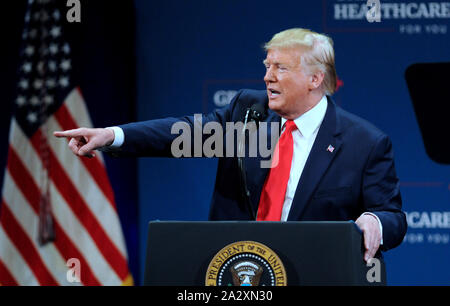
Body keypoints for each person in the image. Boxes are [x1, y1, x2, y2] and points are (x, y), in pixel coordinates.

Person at [54, 28, 407, 263]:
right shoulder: (247, 114)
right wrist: (112, 136)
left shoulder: (364, 143)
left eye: (280, 68)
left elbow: (393, 217)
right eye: (267, 66)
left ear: (315, 79)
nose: (267, 77)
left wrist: (375, 220)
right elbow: (181, 135)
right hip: (234, 270)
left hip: (309, 272)